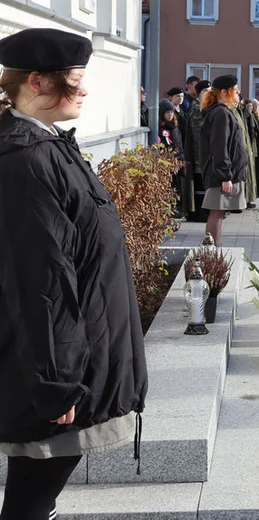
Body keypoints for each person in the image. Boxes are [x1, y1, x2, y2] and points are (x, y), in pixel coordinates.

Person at [0, 29, 148, 519]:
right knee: (33, 494)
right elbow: (40, 279)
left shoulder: (48, 146)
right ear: (37, 82)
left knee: (36, 491)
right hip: (61, 368)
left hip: (77, 354)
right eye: (76, 80)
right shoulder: (27, 160)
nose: (85, 91)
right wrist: (57, 380)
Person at [200, 75, 248, 245]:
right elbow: (219, 147)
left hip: (222, 173)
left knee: (218, 213)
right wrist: (225, 176)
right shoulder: (220, 113)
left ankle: (214, 250)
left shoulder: (222, 112)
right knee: (217, 213)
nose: (238, 93)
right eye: (235, 90)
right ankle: (211, 252)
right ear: (223, 92)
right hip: (220, 175)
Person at [181, 80, 212, 219]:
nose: (208, 93)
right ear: (199, 93)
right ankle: (200, 213)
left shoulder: (209, 107)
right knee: (200, 186)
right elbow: (197, 135)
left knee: (206, 186)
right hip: (199, 155)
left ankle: (206, 211)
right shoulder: (196, 108)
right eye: (205, 91)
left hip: (208, 155)